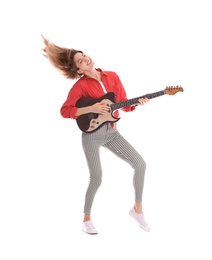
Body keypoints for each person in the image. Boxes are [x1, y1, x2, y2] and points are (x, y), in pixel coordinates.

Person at [41, 35, 150, 234]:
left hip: (112, 132)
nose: (85, 60)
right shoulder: (80, 86)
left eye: (84, 56)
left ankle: (138, 210)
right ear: (78, 70)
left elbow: (123, 103)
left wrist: (137, 102)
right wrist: (91, 107)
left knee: (140, 164)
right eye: (80, 61)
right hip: (92, 134)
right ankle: (86, 219)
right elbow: (65, 110)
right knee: (97, 177)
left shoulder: (112, 76)